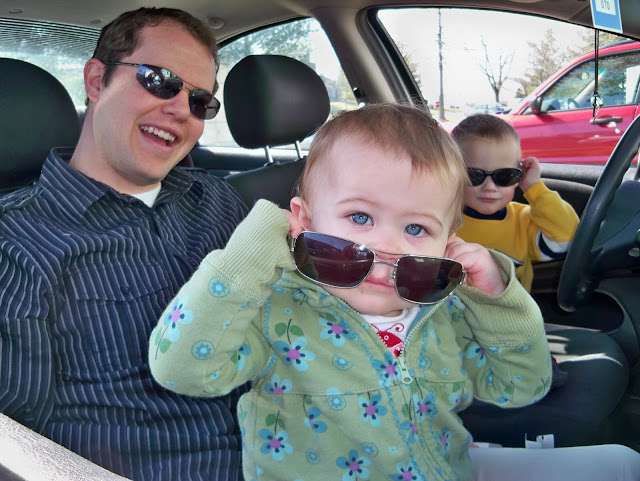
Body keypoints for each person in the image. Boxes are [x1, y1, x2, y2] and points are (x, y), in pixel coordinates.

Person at [149, 103, 556, 481]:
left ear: (447, 243)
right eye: (360, 217)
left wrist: (497, 299)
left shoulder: (446, 313)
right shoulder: (279, 312)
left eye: (416, 228)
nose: (388, 246)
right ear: (306, 222)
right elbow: (182, 370)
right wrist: (248, 256)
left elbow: (523, 386)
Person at [0, 7, 249, 481]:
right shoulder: (14, 244)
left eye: (200, 101)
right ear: (97, 81)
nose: (181, 109)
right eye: (160, 81)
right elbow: (14, 450)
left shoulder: (217, 199)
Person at [452, 113, 579, 292]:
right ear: (453, 173)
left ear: (519, 176)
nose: (490, 187)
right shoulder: (443, 220)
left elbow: (567, 238)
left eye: (505, 176)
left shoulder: (524, 220)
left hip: (508, 310)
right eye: (475, 175)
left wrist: (534, 188)